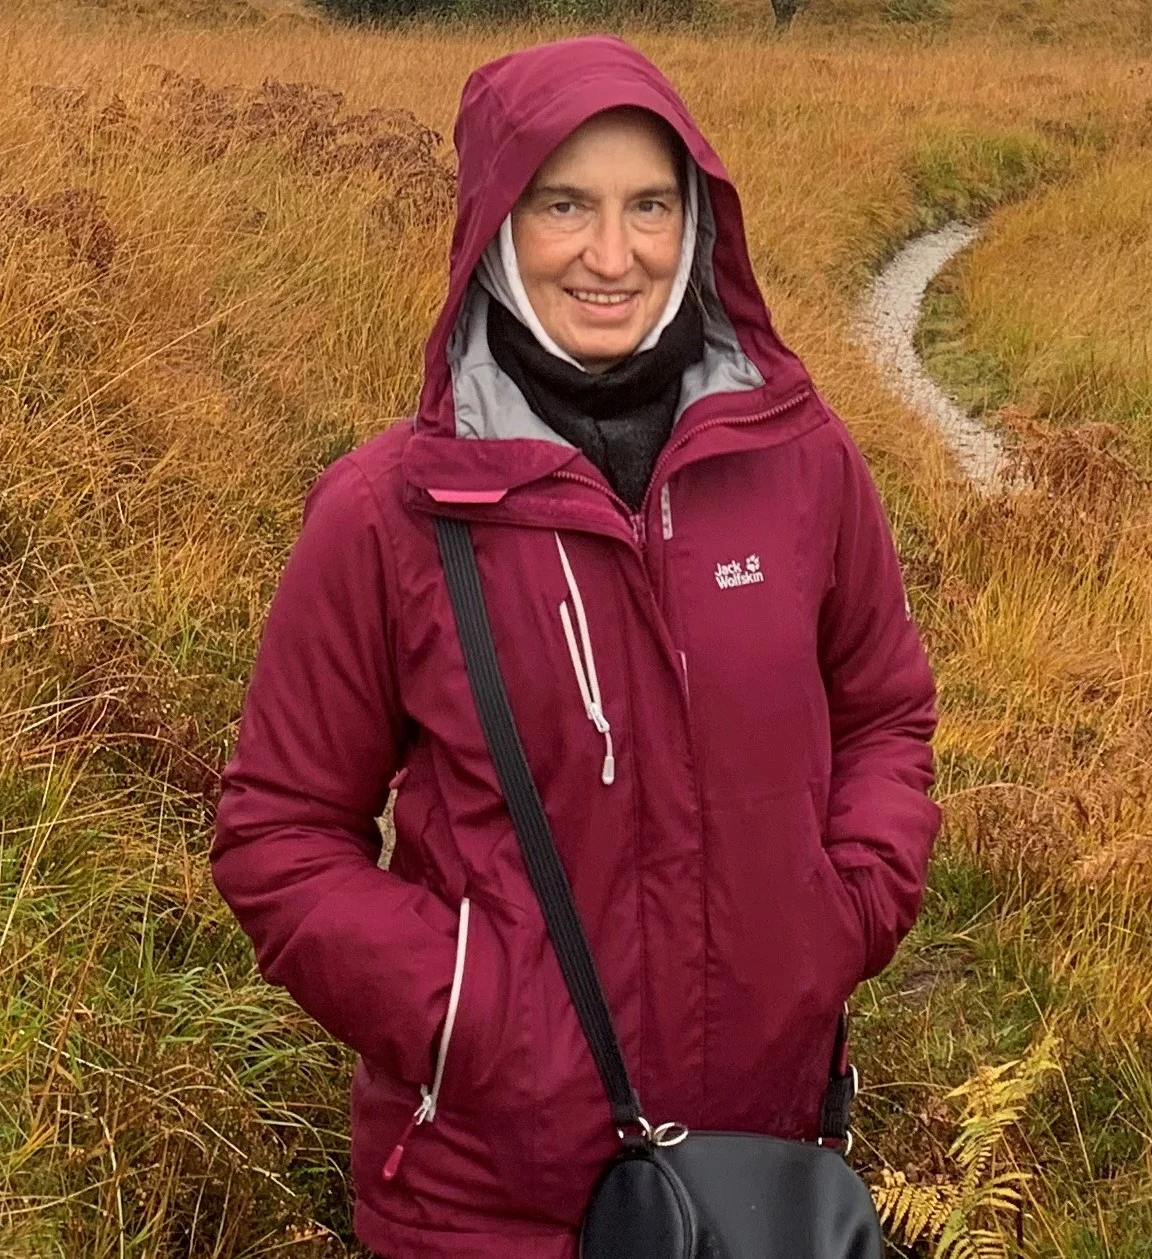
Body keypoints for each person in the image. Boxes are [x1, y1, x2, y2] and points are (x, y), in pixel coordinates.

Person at [211, 34, 940, 1259]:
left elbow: (882, 713)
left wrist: (843, 911)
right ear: (495, 221)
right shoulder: (389, 513)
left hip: (763, 1176)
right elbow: (277, 836)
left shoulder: (803, 465)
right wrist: (472, 1014)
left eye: (650, 205)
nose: (614, 255)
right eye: (565, 205)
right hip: (484, 1200)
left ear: (696, 220)